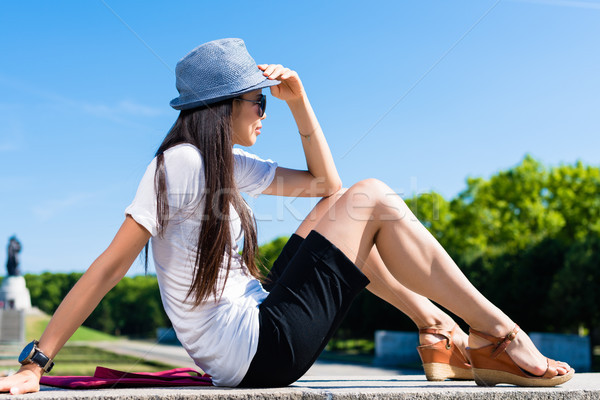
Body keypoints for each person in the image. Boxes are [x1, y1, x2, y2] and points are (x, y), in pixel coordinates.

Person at [0, 38, 573, 395]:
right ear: (222, 106)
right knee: (370, 196)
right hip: (260, 348)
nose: (264, 113)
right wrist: (36, 362)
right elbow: (107, 269)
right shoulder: (178, 165)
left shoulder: (221, 161)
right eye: (260, 102)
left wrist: (302, 100)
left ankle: (436, 329)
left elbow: (327, 186)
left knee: (343, 210)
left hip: (256, 340)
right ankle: (498, 332)